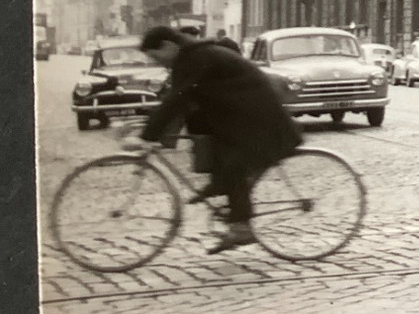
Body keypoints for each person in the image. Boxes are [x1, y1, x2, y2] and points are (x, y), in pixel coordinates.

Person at [126, 25, 302, 252]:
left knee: (233, 165)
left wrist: (147, 135)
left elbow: (176, 99)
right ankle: (224, 194)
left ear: (169, 46)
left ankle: (241, 228)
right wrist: (148, 127)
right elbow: (177, 100)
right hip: (239, 117)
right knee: (216, 156)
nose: (155, 62)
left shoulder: (196, 58)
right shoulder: (193, 57)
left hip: (259, 119)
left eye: (154, 56)